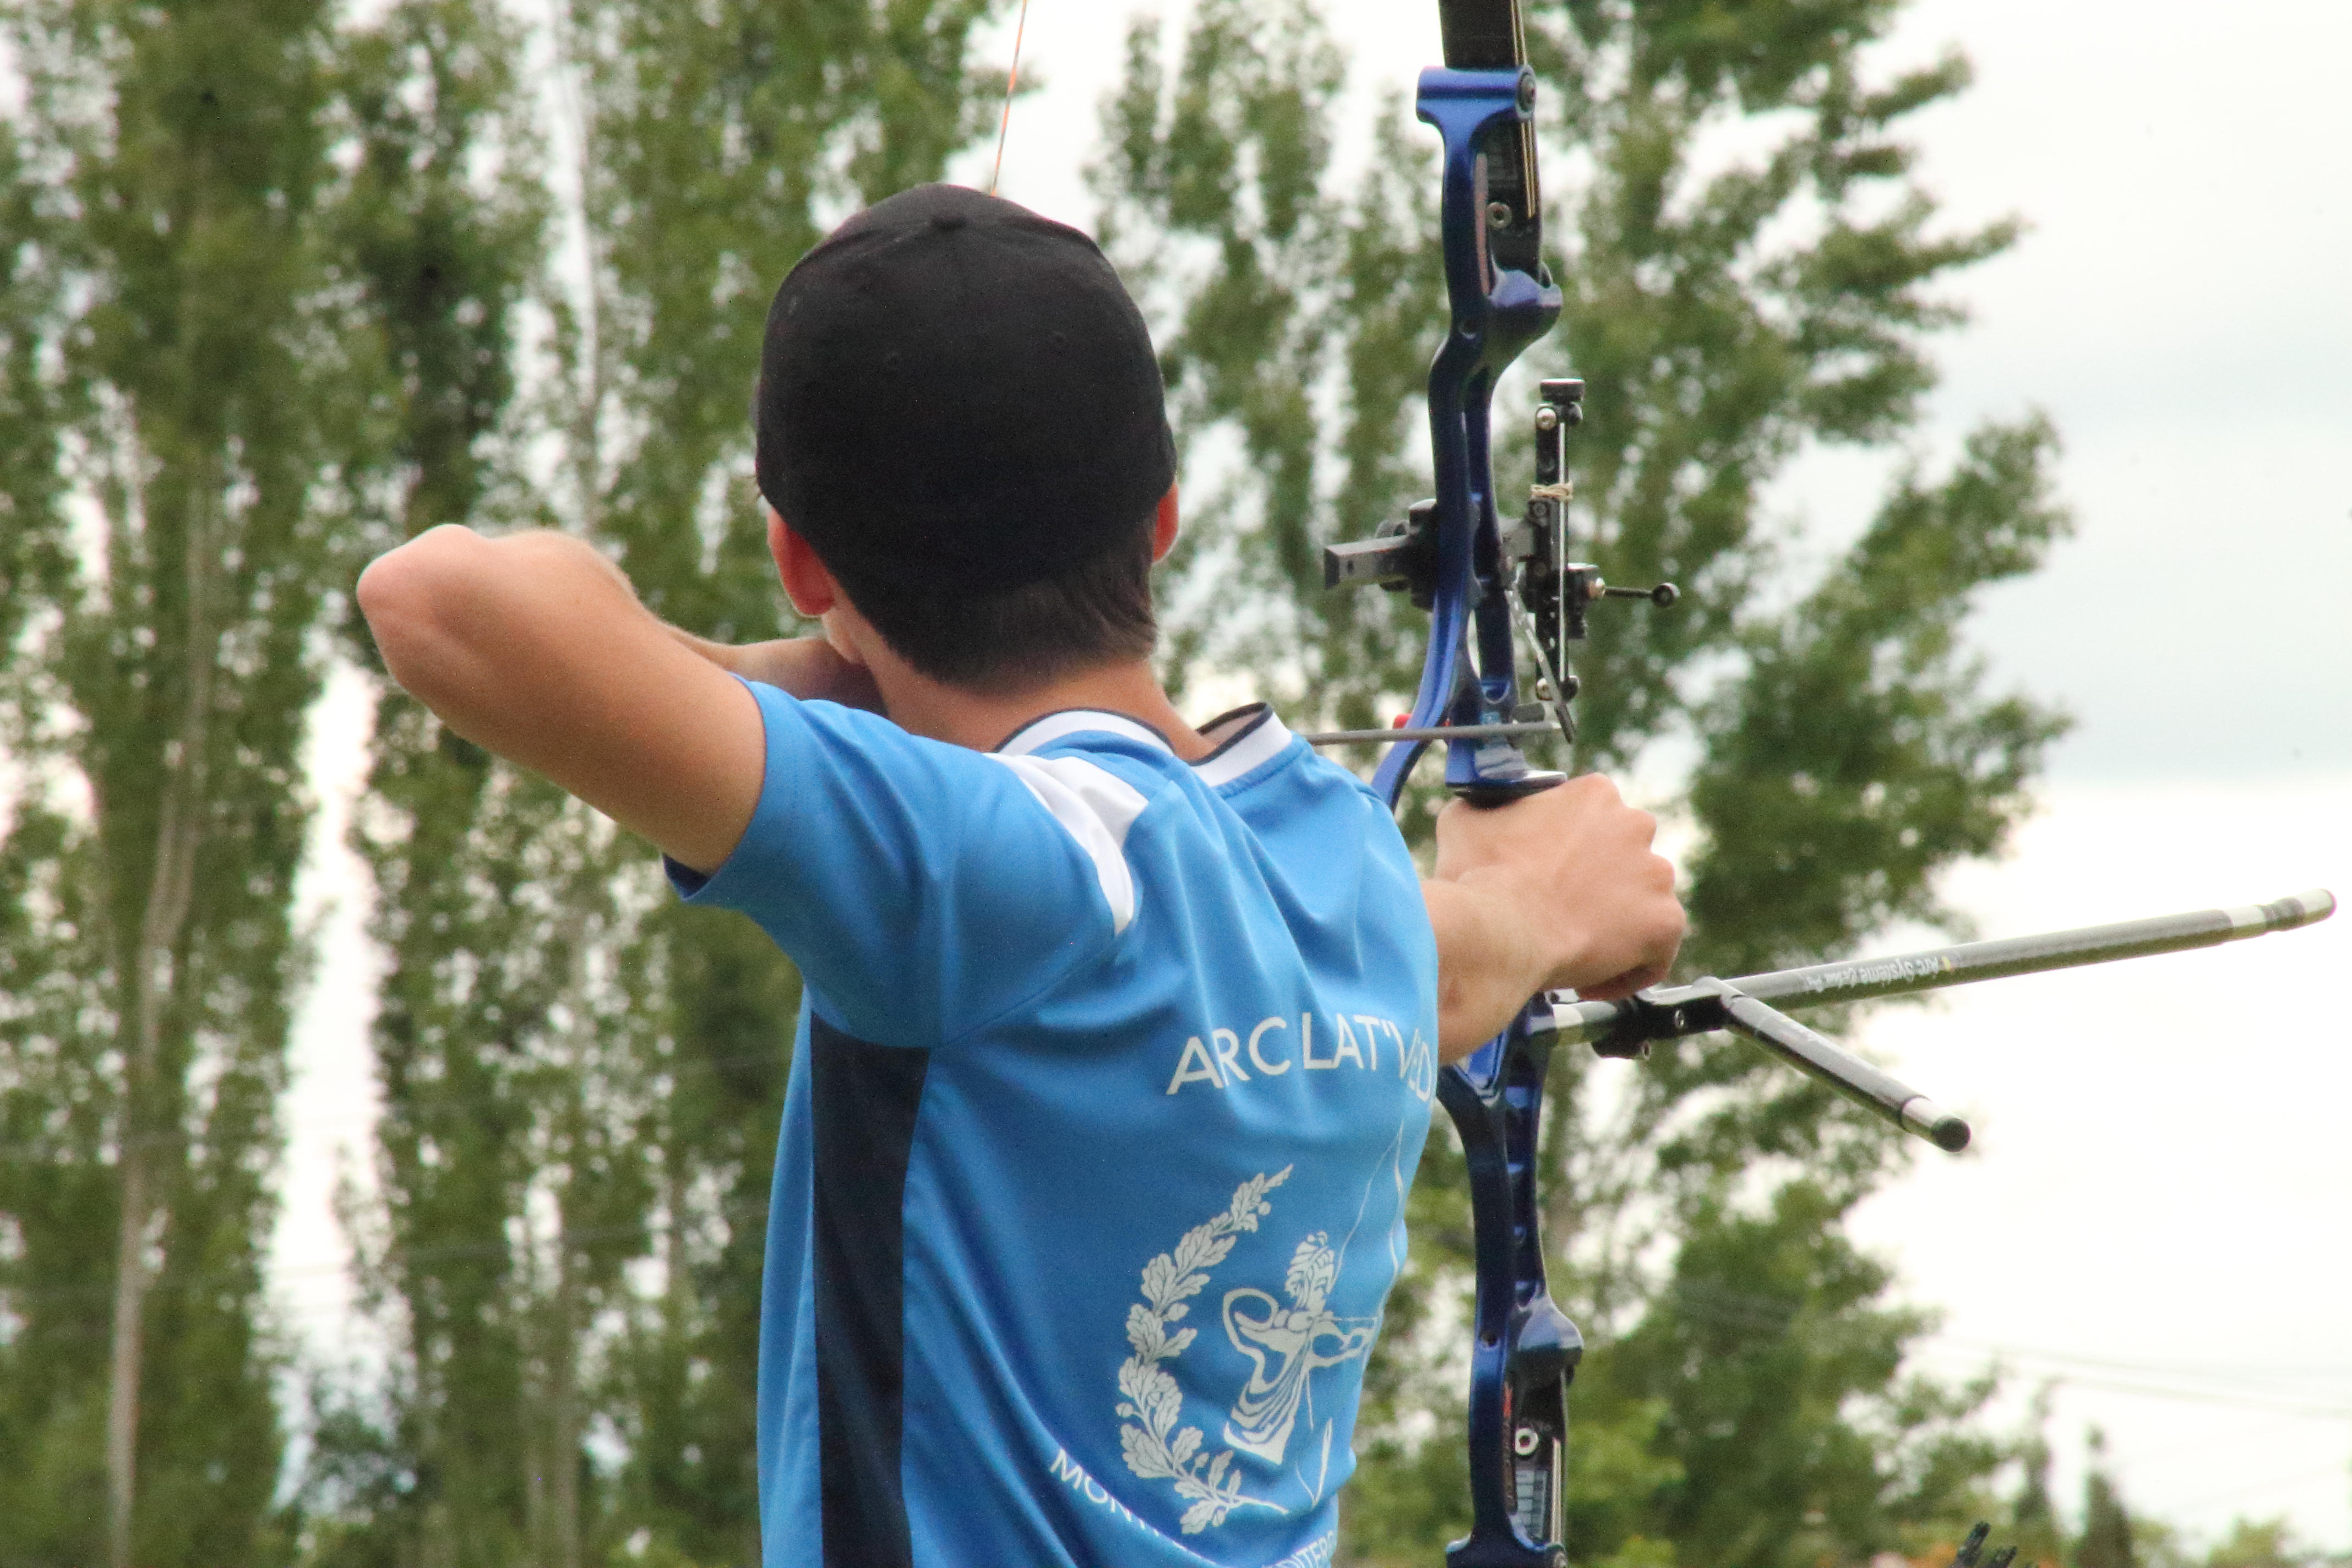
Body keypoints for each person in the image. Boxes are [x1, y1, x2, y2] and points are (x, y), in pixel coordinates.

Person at [357, 183, 1682, 1568]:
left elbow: (441, 600)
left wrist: (802, 677)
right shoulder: (1328, 853)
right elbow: (1455, 959)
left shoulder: (991, 868)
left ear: (800, 560)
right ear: (1162, 516)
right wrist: (1549, 905)